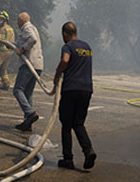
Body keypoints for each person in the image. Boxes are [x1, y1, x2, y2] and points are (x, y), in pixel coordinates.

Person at [53, 21, 96, 170]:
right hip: (86, 90)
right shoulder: (87, 47)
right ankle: (88, 151)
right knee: (78, 123)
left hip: (71, 89)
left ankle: (68, 159)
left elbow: (65, 60)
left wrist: (58, 74)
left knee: (66, 124)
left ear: (65, 34)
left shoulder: (68, 46)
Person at [12, 12, 43, 132]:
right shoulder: (32, 28)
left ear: (21, 20)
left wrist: (23, 49)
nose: (17, 23)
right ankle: (27, 123)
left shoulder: (27, 28)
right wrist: (0, 42)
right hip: (37, 65)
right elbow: (17, 44)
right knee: (28, 93)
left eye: (17, 21)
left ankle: (29, 113)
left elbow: (32, 39)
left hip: (29, 65)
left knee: (17, 90)